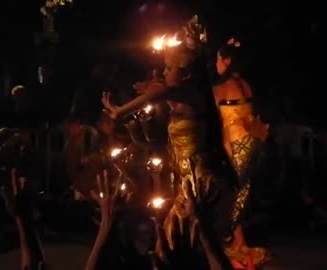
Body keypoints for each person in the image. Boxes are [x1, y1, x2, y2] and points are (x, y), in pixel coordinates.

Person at [101, 16, 229, 251]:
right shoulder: (183, 96)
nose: (163, 71)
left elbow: (158, 93)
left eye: (169, 68)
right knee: (181, 242)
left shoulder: (189, 94)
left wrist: (121, 110)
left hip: (200, 180)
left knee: (180, 240)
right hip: (186, 178)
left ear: (187, 74)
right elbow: (157, 89)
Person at [212, 37, 268, 267]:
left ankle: (233, 243)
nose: (216, 65)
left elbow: (221, 123)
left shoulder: (222, 88)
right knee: (241, 193)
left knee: (234, 195)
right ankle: (238, 242)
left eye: (218, 60)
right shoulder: (246, 85)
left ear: (226, 60)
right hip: (254, 144)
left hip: (237, 146)